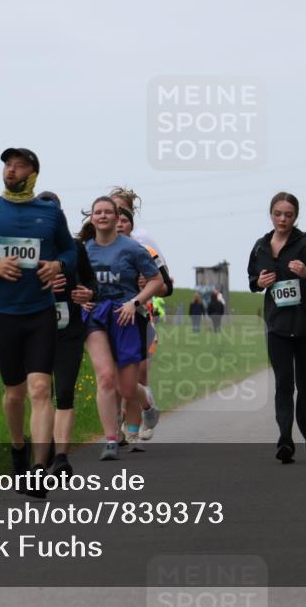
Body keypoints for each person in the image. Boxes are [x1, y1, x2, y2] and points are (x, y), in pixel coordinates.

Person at [0, 147, 76, 497]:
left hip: (40, 312)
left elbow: (69, 252)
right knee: (14, 394)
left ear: (33, 173)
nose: (11, 170)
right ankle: (18, 451)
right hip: (4, 315)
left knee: (40, 389)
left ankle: (39, 470)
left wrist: (58, 266)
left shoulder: (50, 214)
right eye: (7, 165)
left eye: (19, 165)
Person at [247, 191, 306, 464]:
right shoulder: (261, 246)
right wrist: (259, 282)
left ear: (296, 216)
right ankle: (285, 439)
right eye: (278, 214)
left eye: (288, 214)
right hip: (277, 326)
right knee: (284, 384)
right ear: (271, 214)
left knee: (305, 384)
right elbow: (252, 279)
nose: (283, 219)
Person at [82, 196, 164, 460]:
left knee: (127, 388)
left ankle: (147, 401)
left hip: (126, 316)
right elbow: (75, 284)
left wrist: (135, 302)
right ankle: (110, 440)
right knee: (105, 377)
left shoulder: (133, 248)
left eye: (109, 212)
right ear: (92, 218)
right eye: (98, 212)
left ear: (118, 218)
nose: (103, 216)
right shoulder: (83, 251)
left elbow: (156, 280)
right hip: (96, 317)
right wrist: (80, 301)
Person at [39, 191, 98, 478]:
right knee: (41, 393)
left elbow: (91, 283)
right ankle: (44, 448)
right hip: (35, 331)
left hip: (69, 331)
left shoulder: (75, 248)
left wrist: (86, 292)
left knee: (64, 392)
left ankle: (61, 458)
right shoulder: (28, 248)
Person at [115, 205, 173, 444]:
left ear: (131, 226)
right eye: (115, 220)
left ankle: (134, 428)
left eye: (124, 221)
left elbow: (166, 287)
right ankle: (117, 428)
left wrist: (148, 283)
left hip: (139, 317)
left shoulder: (145, 250)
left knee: (137, 374)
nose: (118, 225)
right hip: (109, 320)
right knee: (112, 376)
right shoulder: (95, 250)